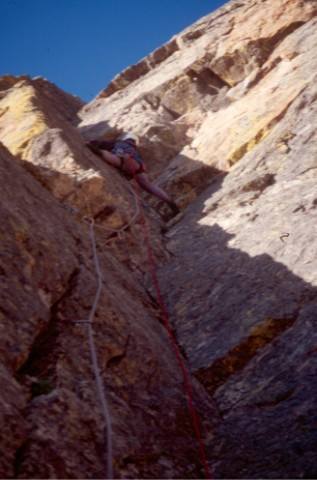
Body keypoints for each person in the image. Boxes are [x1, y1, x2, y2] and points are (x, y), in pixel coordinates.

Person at [86, 133, 180, 215]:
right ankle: (170, 202)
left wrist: (93, 143)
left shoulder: (118, 142)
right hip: (138, 167)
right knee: (149, 186)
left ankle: (100, 152)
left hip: (123, 160)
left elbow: (102, 143)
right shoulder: (134, 150)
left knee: (113, 158)